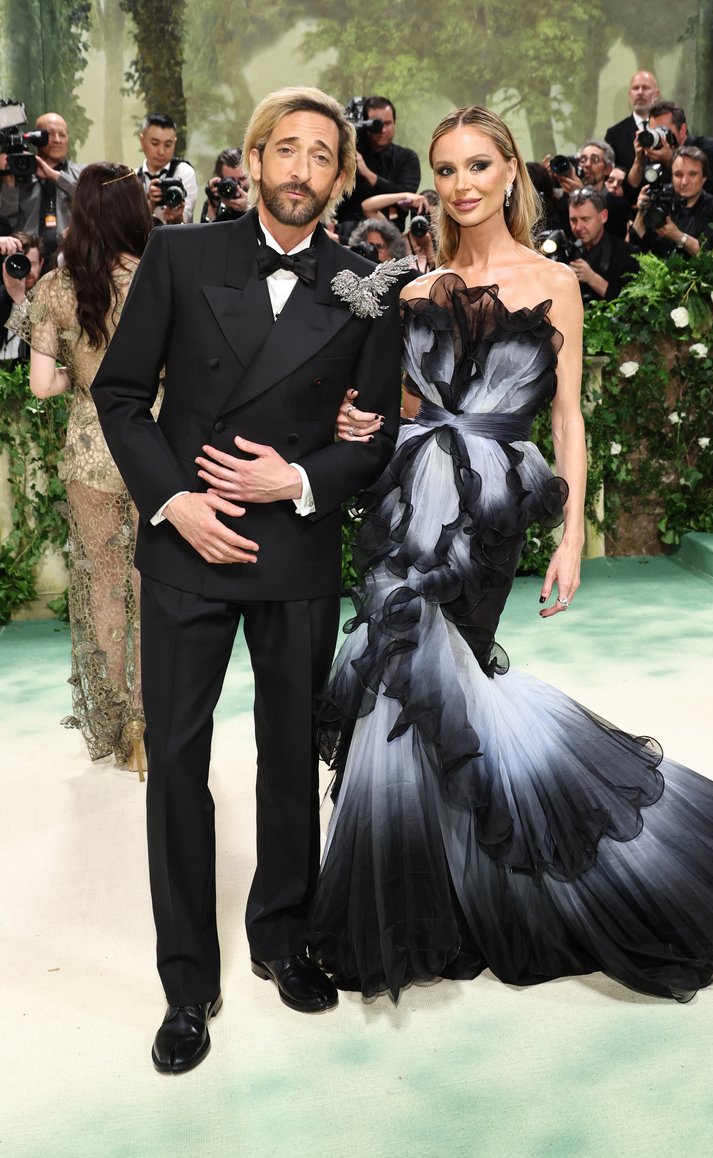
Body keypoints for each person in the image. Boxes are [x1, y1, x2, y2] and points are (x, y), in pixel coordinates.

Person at [307, 105, 713, 1003]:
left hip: (489, 512)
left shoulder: (553, 282)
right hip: (404, 505)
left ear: (509, 174)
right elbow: (400, 410)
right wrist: (361, 421)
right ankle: (428, 899)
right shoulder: (413, 289)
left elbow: (569, 418)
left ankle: (483, 884)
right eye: (449, 171)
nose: (462, 186)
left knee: (446, 677)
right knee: (398, 683)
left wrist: (572, 530)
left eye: (478, 167)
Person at [91, 87, 404, 1075]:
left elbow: (377, 437)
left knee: (284, 756)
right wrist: (174, 502)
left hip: (294, 550)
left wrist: (302, 477)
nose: (303, 169)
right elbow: (122, 394)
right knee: (177, 764)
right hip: (187, 544)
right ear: (255, 157)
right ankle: (187, 983)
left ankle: (283, 936)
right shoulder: (182, 257)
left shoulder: (367, 287)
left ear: (341, 174)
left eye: (324, 155)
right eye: (288, 149)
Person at [5, 164, 154, 773]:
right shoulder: (161, 279)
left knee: (105, 589)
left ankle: (123, 720)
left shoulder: (60, 291)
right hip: (158, 446)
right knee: (158, 587)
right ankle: (156, 716)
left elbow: (41, 386)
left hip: (92, 450)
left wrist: (78, 378)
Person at [0, 112, 82, 265]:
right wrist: (8, 183)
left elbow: (90, 200)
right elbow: (7, 222)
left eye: (62, 135)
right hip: (27, 262)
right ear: (37, 138)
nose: (57, 140)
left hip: (70, 259)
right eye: (50, 134)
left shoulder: (80, 174)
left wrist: (56, 177)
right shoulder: (18, 175)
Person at [336, 96, 421, 234]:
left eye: (388, 123)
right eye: (376, 124)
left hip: (388, 237)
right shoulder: (350, 155)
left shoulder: (407, 157)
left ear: (395, 123)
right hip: (346, 233)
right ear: (365, 124)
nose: (382, 129)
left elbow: (406, 194)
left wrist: (368, 174)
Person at [631, 146, 713, 257]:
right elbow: (634, 247)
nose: (684, 182)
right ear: (672, 177)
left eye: (692, 174)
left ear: (704, 177)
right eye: (678, 175)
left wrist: (678, 236)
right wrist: (641, 212)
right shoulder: (660, 199)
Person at [567, 187, 638, 300]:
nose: (578, 227)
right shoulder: (566, 250)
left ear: (603, 216)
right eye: (573, 220)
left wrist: (593, 279)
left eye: (585, 219)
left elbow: (629, 306)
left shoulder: (626, 253)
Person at [136, 113, 198, 225]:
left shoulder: (184, 172)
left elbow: (186, 219)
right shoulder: (133, 178)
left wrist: (177, 216)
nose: (161, 151)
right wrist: (149, 205)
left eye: (168, 145)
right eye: (155, 143)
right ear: (142, 140)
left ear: (175, 142)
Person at [605, 70, 661, 171]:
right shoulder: (614, 135)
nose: (640, 92)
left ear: (656, 94)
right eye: (635, 88)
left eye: (645, 88)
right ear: (630, 94)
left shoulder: (666, 128)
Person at [1, 232, 43, 360]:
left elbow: (46, 341)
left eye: (32, 263)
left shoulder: (50, 297)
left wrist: (19, 297)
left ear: (41, 264)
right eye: (20, 263)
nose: (27, 270)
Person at [200, 146, 249, 223]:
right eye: (231, 180)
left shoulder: (263, 200)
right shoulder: (217, 202)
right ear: (220, 180)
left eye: (242, 179)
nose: (237, 185)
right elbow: (205, 234)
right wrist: (213, 210)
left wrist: (251, 207)